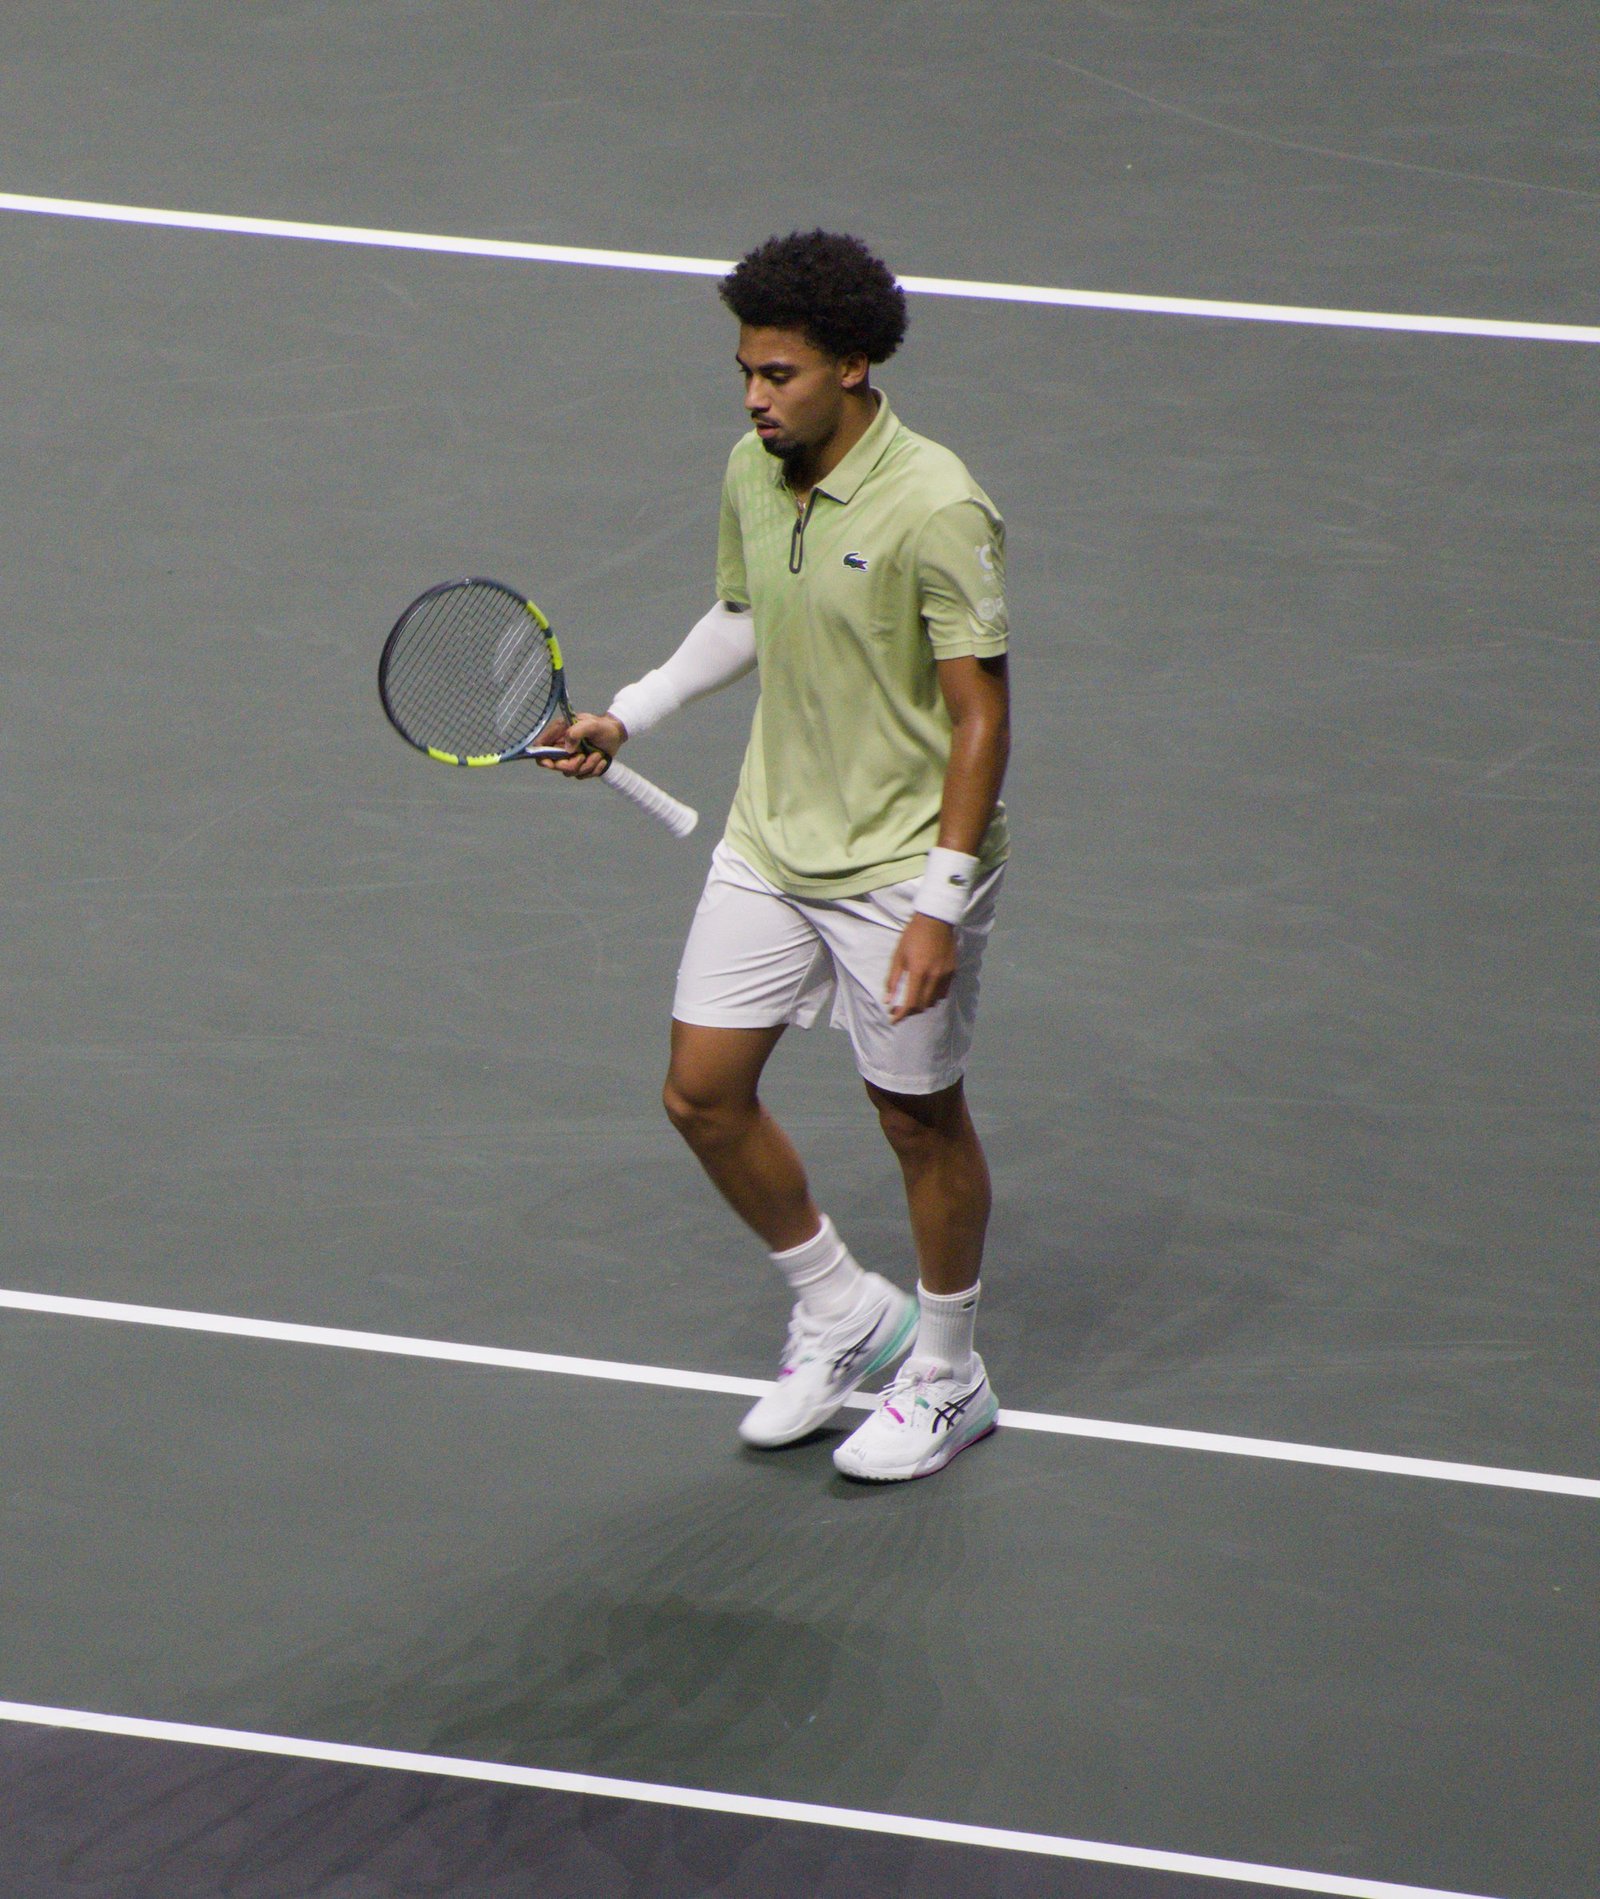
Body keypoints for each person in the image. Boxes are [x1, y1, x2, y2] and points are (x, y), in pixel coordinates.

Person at [545, 230, 1010, 1482]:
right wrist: (626, 714)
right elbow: (745, 612)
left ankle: (949, 1373)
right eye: (746, 370)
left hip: (901, 865)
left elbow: (981, 717)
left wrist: (936, 907)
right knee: (700, 1093)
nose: (756, 395)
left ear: (853, 367)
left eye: (781, 374)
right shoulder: (754, 472)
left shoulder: (938, 504)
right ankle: (844, 1309)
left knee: (915, 1119)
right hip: (769, 838)